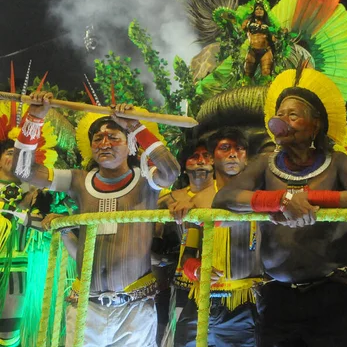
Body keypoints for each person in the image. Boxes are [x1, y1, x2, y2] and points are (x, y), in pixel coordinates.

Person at [213, 66, 347, 347]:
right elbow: (224, 198)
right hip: (278, 299)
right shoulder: (264, 163)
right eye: (279, 114)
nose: (282, 121)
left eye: (292, 115)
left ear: (315, 124)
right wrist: (279, 201)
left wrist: (310, 198)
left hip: (335, 294)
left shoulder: (337, 161)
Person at [13, 92, 180, 347]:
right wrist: (34, 118)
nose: (104, 143)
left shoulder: (145, 181)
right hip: (85, 308)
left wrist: (135, 126)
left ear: (130, 145)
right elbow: (23, 171)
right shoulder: (79, 180)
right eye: (98, 138)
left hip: (133, 310)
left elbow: (171, 172)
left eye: (114, 137)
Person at [173, 127, 261, 347]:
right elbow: (187, 255)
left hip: (247, 304)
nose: (233, 154)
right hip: (201, 301)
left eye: (239, 149)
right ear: (212, 158)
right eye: (225, 148)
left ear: (247, 157)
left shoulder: (261, 195)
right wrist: (195, 269)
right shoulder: (197, 201)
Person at [0, 121, 56, 347]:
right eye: (10, 152)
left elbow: (43, 225)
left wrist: (24, 211)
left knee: (8, 328)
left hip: (16, 263)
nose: (14, 159)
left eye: (21, 155)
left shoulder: (35, 193)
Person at [157, 139, 215, 346]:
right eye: (194, 156)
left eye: (206, 155)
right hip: (182, 280)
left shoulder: (224, 192)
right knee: (183, 338)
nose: (201, 161)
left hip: (221, 277)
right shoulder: (168, 199)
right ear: (184, 164)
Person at [242, 0, 275, 78]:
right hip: (252, 52)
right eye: (257, 9)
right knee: (247, 75)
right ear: (253, 11)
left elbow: (274, 38)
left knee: (266, 74)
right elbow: (241, 29)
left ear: (264, 11)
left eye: (261, 9)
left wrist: (269, 30)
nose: (259, 11)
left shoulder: (269, 23)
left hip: (265, 52)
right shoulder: (248, 21)